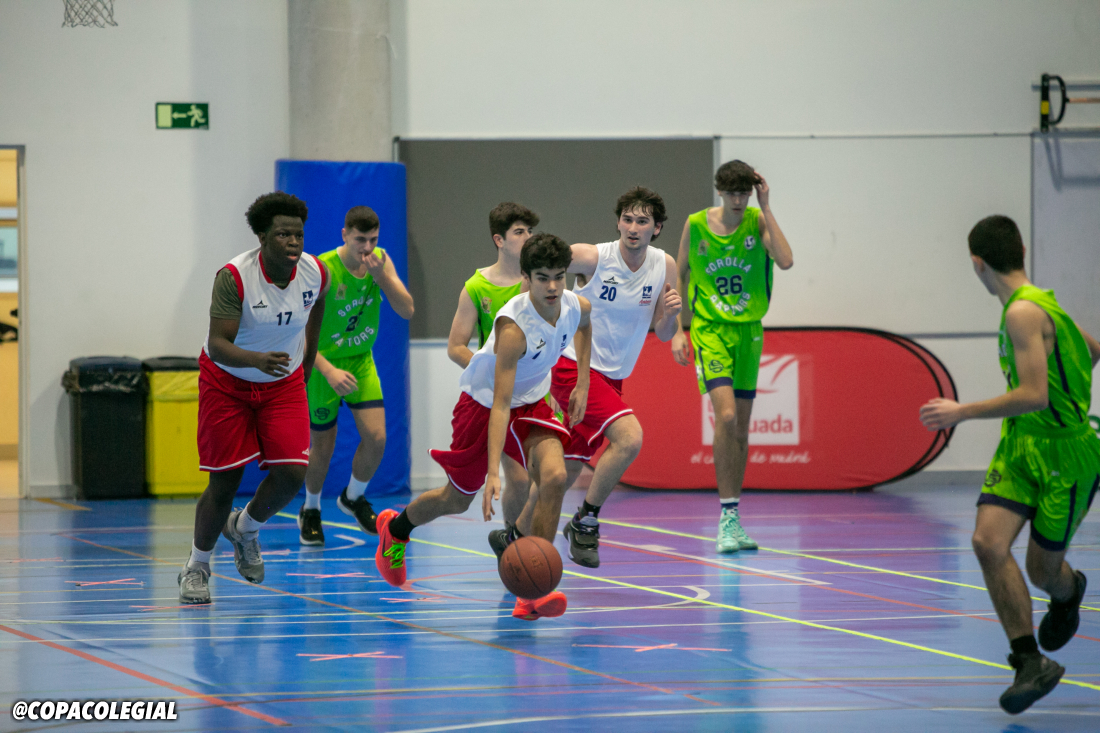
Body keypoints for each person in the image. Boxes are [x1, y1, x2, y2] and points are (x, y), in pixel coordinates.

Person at [920, 215, 1099, 715]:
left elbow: (1035, 394)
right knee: (987, 542)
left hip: (1066, 455)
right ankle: (1029, 661)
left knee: (1043, 572)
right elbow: (1090, 351)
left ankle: (1069, 591)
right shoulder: (1037, 307)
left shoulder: (1023, 311)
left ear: (977, 263)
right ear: (1020, 251)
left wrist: (961, 412)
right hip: (1022, 447)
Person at [375, 233, 592, 621]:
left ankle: (533, 593)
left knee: (555, 477)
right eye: (543, 278)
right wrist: (494, 472)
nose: (553, 287)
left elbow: (585, 325)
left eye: (559, 276)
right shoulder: (514, 329)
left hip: (532, 402)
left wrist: (583, 382)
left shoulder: (574, 305)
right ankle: (397, 528)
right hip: (484, 404)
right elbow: (501, 405)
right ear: (526, 278)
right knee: (457, 499)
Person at [178, 192, 329, 604]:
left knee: (293, 473)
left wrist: (307, 362)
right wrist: (256, 360)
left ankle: (244, 529)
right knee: (225, 481)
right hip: (227, 380)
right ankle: (197, 567)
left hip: (281, 381)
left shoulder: (316, 273)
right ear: (262, 237)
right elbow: (218, 343)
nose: (293, 242)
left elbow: (317, 309)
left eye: (298, 234)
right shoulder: (234, 277)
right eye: (283, 234)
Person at [554, 186, 684, 569]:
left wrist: (671, 316)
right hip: (574, 368)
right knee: (629, 439)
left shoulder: (664, 266)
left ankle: (517, 532)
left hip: (613, 377)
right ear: (618, 223)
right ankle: (586, 521)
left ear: (656, 228)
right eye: (627, 219)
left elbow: (663, 333)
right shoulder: (593, 257)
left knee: (566, 471)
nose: (633, 227)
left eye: (642, 221)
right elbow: (546, 260)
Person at [676, 160, 793, 553]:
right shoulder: (696, 225)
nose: (739, 200)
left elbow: (786, 260)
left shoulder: (757, 222)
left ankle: (733, 517)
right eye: (733, 193)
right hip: (710, 330)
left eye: (745, 193)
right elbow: (679, 274)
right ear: (720, 192)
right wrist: (677, 330)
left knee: (741, 429)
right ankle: (725, 520)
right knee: (725, 416)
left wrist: (767, 206)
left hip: (749, 332)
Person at [297, 206, 414, 545]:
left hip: (360, 359)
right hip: (322, 362)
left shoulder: (380, 262)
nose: (367, 247)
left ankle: (352, 497)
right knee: (323, 446)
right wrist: (328, 370)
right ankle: (311, 508)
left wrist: (383, 277)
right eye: (360, 239)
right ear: (345, 234)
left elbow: (407, 309)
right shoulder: (322, 269)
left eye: (373, 239)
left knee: (377, 438)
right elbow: (298, 331)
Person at [447, 203, 540, 540]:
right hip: (495, 397)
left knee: (538, 477)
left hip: (531, 394)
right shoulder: (477, 287)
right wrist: (489, 371)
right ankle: (401, 526)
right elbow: (455, 346)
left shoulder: (540, 281)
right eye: (519, 232)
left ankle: (515, 544)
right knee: (461, 497)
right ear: (499, 240)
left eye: (530, 231)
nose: (528, 237)